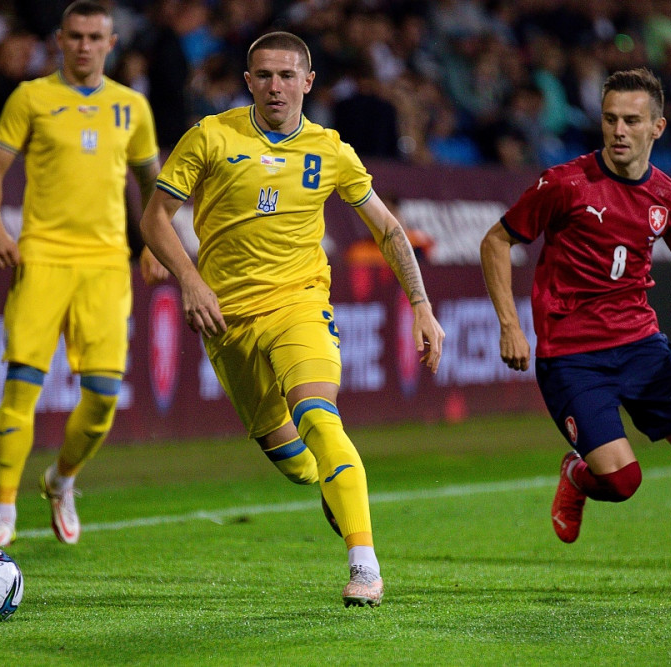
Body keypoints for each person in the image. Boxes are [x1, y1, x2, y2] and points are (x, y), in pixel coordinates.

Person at [139, 31, 445, 608]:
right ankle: (332, 481)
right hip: (227, 322)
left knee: (319, 417)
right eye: (263, 75)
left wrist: (422, 306)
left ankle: (364, 566)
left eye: (286, 76)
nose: (275, 86)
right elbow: (155, 218)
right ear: (248, 81)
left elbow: (388, 228)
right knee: (299, 466)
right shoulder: (210, 136)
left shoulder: (331, 150)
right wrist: (191, 279)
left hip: (299, 304)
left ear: (308, 82)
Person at [480, 68, 671, 601]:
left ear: (657, 127)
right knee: (622, 483)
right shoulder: (565, 184)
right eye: (610, 119)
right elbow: (495, 241)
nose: (618, 130)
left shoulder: (670, 198)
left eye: (631, 120)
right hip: (573, 355)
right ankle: (578, 476)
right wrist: (510, 324)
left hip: (642, 347)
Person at [0, 0, 166, 548]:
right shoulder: (31, 97)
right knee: (22, 384)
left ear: (111, 44)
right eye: (75, 36)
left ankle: (61, 479)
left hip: (106, 264)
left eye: (94, 37)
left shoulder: (132, 107)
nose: (84, 45)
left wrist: (152, 245)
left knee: (103, 395)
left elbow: (151, 184)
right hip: (42, 257)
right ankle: (3, 512)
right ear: (59, 40)